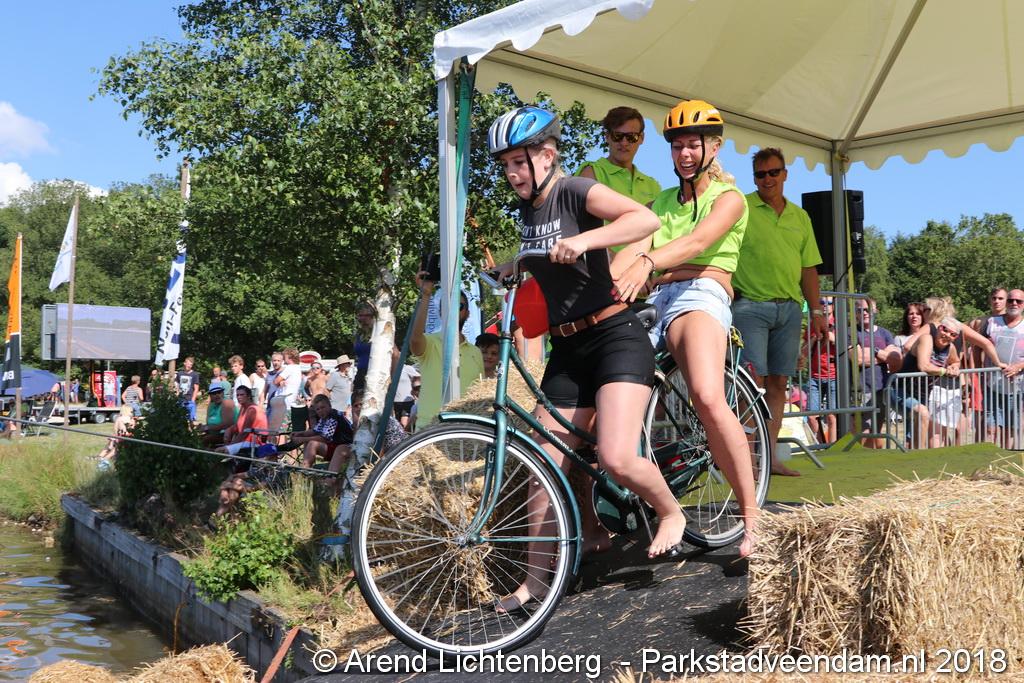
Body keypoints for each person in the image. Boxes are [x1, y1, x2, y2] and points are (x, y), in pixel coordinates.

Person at [487, 103, 687, 616]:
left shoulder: (576, 190)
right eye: (505, 165)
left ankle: (670, 513)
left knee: (617, 457)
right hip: (567, 348)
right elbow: (544, 257)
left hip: (614, 335)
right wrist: (512, 266)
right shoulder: (528, 210)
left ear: (547, 156)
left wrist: (584, 240)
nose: (511, 173)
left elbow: (644, 219)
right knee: (543, 464)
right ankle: (536, 581)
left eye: (519, 162)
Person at [615, 98, 760, 557]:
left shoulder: (730, 199)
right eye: (677, 146)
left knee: (707, 396)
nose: (685, 154)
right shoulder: (660, 202)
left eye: (693, 145)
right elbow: (628, 249)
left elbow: (698, 242)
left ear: (713, 147)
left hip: (702, 291)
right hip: (659, 295)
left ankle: (753, 519)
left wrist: (648, 262)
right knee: (607, 387)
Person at [731, 147, 826, 476]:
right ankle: (747, 462)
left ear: (785, 174)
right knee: (749, 384)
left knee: (779, 384)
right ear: (754, 178)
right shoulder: (740, 207)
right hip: (748, 308)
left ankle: (768, 458)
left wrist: (817, 312)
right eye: (761, 174)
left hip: (789, 310)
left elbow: (808, 268)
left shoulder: (800, 217)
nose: (767, 179)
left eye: (773, 172)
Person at [410, 281, 484, 429]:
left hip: (465, 430)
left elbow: (480, 393)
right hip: (430, 429)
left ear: (467, 313)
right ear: (440, 312)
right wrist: (426, 295)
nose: (453, 310)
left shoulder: (476, 352)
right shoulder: (430, 343)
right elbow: (415, 338)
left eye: (459, 306)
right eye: (447, 306)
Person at [894, 317, 962, 448]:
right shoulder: (926, 338)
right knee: (923, 413)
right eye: (945, 330)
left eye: (953, 334)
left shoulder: (950, 348)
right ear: (939, 328)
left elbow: (956, 361)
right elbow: (924, 366)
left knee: (911, 438)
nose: (947, 335)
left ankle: (911, 458)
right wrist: (945, 371)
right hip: (900, 390)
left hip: (922, 395)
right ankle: (921, 455)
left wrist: (954, 367)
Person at [577, 106, 661, 209]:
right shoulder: (592, 171)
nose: (624, 143)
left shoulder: (652, 185)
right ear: (607, 136)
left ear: (641, 138)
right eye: (617, 136)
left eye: (631, 137)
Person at [854, 298, 900, 448]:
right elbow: (859, 359)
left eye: (868, 310)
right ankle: (863, 457)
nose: (865, 313)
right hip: (862, 387)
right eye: (860, 310)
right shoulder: (852, 332)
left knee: (877, 428)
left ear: (875, 311)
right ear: (855, 313)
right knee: (864, 429)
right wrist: (883, 355)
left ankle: (874, 455)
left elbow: (895, 359)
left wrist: (873, 351)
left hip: (882, 386)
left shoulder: (885, 333)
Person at [982, 288, 1024, 447]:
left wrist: (1019, 366)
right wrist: (975, 375)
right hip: (991, 386)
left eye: (1019, 301)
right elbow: (977, 347)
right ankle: (989, 460)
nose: (1014, 303)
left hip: (1017, 388)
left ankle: (1007, 460)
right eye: (1011, 300)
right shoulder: (991, 322)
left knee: (1010, 430)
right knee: (990, 429)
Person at [805, 297, 837, 443]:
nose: (825, 305)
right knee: (812, 416)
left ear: (834, 306)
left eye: (829, 303)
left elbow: (847, 346)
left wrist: (830, 336)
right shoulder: (812, 325)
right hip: (814, 376)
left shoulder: (839, 324)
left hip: (834, 375)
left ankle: (833, 448)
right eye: (822, 302)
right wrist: (814, 338)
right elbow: (803, 352)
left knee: (832, 416)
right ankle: (821, 446)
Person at [215, 385, 268, 457]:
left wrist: (231, 445)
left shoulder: (252, 409)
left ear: (248, 396)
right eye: (237, 395)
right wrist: (229, 430)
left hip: (254, 443)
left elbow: (244, 432)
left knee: (220, 451)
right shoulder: (243, 407)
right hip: (244, 441)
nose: (239, 397)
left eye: (242, 395)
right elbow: (237, 426)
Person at [199, 384, 237, 448]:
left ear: (223, 393)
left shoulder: (227, 403)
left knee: (203, 440)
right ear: (210, 396)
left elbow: (227, 425)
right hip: (214, 434)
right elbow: (209, 424)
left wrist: (207, 428)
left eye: (219, 392)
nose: (217, 395)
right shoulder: (211, 405)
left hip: (229, 435)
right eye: (214, 393)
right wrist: (202, 427)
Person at [391, 363, 420, 428]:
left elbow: (419, 379)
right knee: (397, 425)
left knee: (404, 425)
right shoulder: (389, 369)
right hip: (394, 402)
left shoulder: (407, 368)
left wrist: (414, 390)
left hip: (406, 401)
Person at [175, 356, 201, 421]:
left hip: (190, 400)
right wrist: (177, 392)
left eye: (191, 365)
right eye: (188, 364)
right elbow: (177, 383)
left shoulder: (195, 374)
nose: (189, 366)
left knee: (191, 420)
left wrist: (193, 400)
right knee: (180, 419)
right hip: (181, 399)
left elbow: (196, 388)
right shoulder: (180, 373)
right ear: (184, 363)